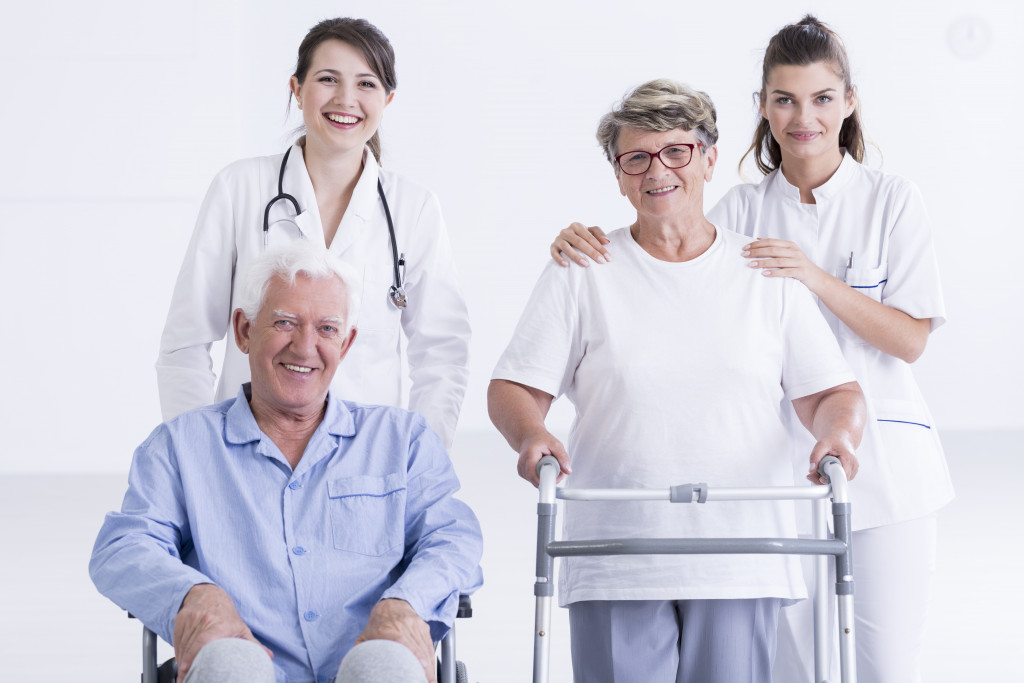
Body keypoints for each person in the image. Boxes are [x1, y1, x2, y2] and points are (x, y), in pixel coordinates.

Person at [549, 15, 951, 683]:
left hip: (885, 467)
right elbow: (666, 260)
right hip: (765, 476)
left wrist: (812, 275)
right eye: (785, 99)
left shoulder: (891, 200)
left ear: (849, 101)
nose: (804, 118)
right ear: (762, 108)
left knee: (881, 667)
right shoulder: (737, 209)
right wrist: (576, 244)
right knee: (787, 667)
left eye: (822, 98)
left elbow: (909, 338)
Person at [489, 79, 866, 683]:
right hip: (615, 551)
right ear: (617, 175)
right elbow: (514, 388)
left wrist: (838, 437)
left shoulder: (765, 270)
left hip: (740, 552)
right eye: (635, 157)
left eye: (676, 152)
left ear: (709, 158)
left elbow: (830, 393)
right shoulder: (583, 271)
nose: (656, 170)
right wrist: (531, 436)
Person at [91, 241, 483, 683]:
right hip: (240, 663)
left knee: (384, 666)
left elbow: (454, 538)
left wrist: (406, 604)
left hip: (368, 661)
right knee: (230, 666)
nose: (305, 347)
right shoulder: (179, 447)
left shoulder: (402, 441)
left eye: (327, 329)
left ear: (347, 342)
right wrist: (194, 595)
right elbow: (122, 547)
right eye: (284, 322)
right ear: (243, 330)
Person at [157, 17, 470, 448]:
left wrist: (422, 460)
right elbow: (185, 343)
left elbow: (442, 355)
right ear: (297, 88)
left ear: (388, 99)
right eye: (327, 79)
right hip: (245, 450)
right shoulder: (239, 188)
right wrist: (198, 453)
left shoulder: (413, 209)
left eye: (366, 84)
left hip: (367, 459)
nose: (346, 99)